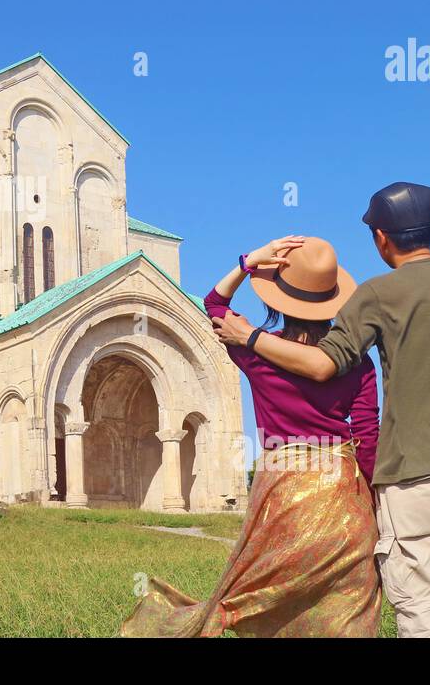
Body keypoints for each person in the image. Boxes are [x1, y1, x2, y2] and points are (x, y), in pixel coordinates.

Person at [212, 183, 430, 638]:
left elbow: (320, 365)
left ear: (381, 238)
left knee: (424, 612)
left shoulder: (377, 296)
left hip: (408, 478)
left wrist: (251, 327)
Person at [123, 235, 381, 638]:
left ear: (278, 298)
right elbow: (367, 435)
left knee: (271, 596)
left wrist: (248, 263)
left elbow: (213, 307)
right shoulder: (358, 362)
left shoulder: (256, 349)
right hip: (343, 496)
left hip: (283, 493)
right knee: (345, 608)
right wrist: (376, 500)